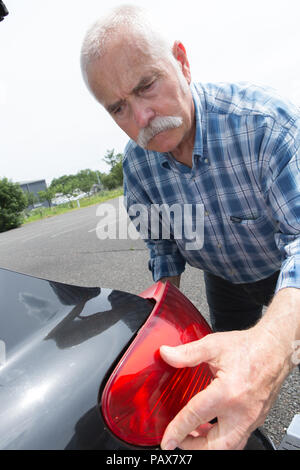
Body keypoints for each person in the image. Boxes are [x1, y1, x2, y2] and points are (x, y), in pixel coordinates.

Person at [80, 5, 300, 450]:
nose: (141, 117)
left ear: (181, 61)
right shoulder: (137, 167)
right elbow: (162, 247)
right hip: (223, 276)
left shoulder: (264, 126)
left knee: (279, 350)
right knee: (217, 366)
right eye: (119, 107)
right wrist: (157, 321)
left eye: (146, 85)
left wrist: (275, 345)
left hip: (283, 267)